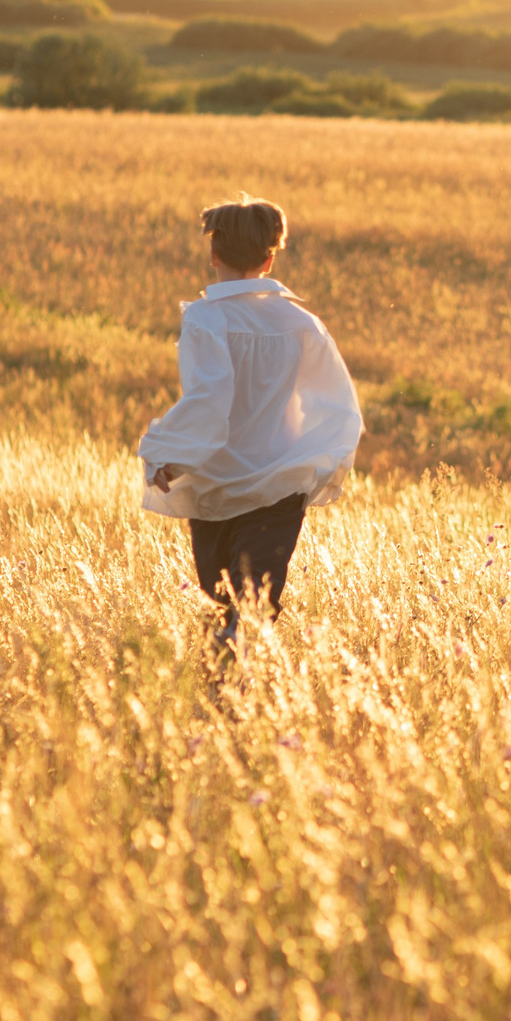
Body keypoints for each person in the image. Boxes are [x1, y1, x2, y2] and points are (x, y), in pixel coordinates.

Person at [140, 195, 362, 668]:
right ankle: (236, 695)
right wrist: (319, 464)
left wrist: (167, 455)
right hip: (279, 484)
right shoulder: (302, 323)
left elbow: (208, 399)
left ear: (213, 254)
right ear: (269, 259)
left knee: (221, 607)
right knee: (252, 608)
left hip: (215, 486)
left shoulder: (205, 318)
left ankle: (226, 696)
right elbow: (338, 406)